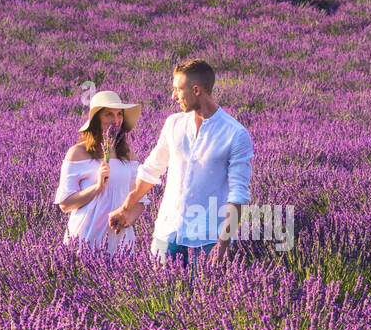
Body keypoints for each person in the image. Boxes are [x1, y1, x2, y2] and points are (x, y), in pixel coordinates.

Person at [108, 59, 252, 271]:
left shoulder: (235, 134)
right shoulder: (173, 124)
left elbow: (238, 195)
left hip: (208, 239)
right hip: (168, 233)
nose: (173, 96)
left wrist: (223, 244)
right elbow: (152, 169)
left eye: (178, 90)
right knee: (160, 298)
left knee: (205, 301)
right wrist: (125, 208)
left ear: (196, 90)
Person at [54, 90, 148, 255]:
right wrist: (97, 187)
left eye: (119, 114)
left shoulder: (128, 155)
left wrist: (127, 219)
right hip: (85, 237)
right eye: (109, 114)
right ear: (96, 119)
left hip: (120, 240)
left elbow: (139, 199)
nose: (116, 120)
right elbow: (65, 204)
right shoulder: (77, 153)